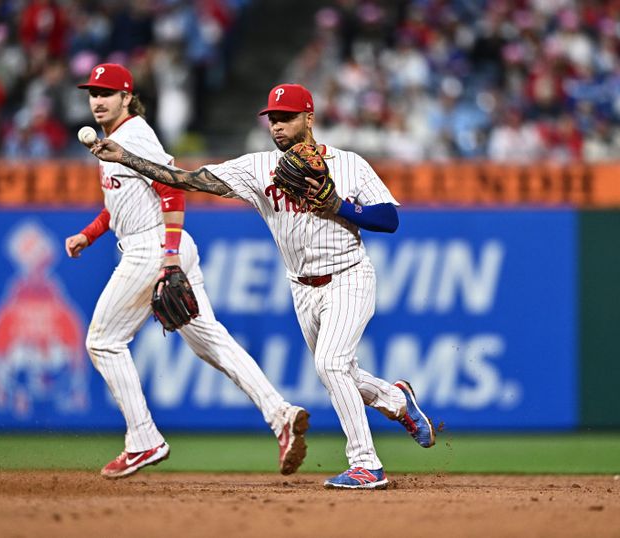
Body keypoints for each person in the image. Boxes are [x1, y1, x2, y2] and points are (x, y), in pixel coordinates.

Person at [87, 83, 436, 490]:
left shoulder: (348, 164)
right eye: (272, 118)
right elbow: (188, 179)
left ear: (309, 118)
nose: (278, 126)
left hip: (349, 275)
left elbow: (389, 220)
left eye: (286, 117)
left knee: (331, 365)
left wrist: (339, 206)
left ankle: (366, 463)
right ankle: (396, 400)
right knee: (344, 372)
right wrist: (128, 158)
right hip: (302, 287)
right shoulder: (258, 168)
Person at [65, 64, 309, 479]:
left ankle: (143, 440)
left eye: (107, 92)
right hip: (161, 244)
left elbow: (171, 187)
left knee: (104, 341)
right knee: (211, 343)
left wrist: (170, 256)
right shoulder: (113, 141)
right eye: (93, 93)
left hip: (155, 247)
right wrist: (89, 234)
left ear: (127, 97)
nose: (98, 100)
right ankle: (280, 414)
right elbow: (121, 200)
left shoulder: (134, 135)